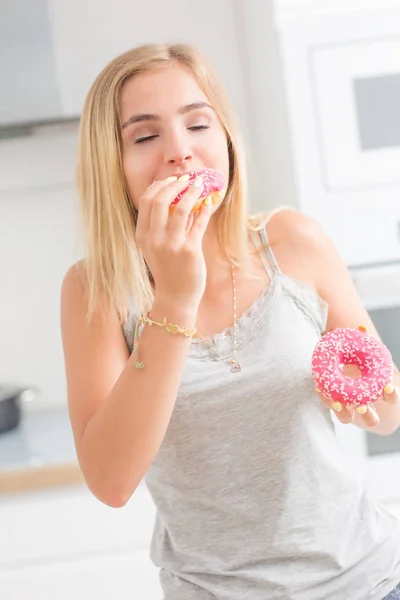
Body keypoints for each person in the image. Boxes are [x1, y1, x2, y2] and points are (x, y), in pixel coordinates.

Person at [60, 43, 400, 600]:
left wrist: (366, 402)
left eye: (197, 124)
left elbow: (388, 407)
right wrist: (174, 296)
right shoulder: (94, 292)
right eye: (145, 136)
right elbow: (111, 481)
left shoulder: (293, 241)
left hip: (371, 579)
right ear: (111, 165)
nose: (180, 153)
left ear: (226, 141)